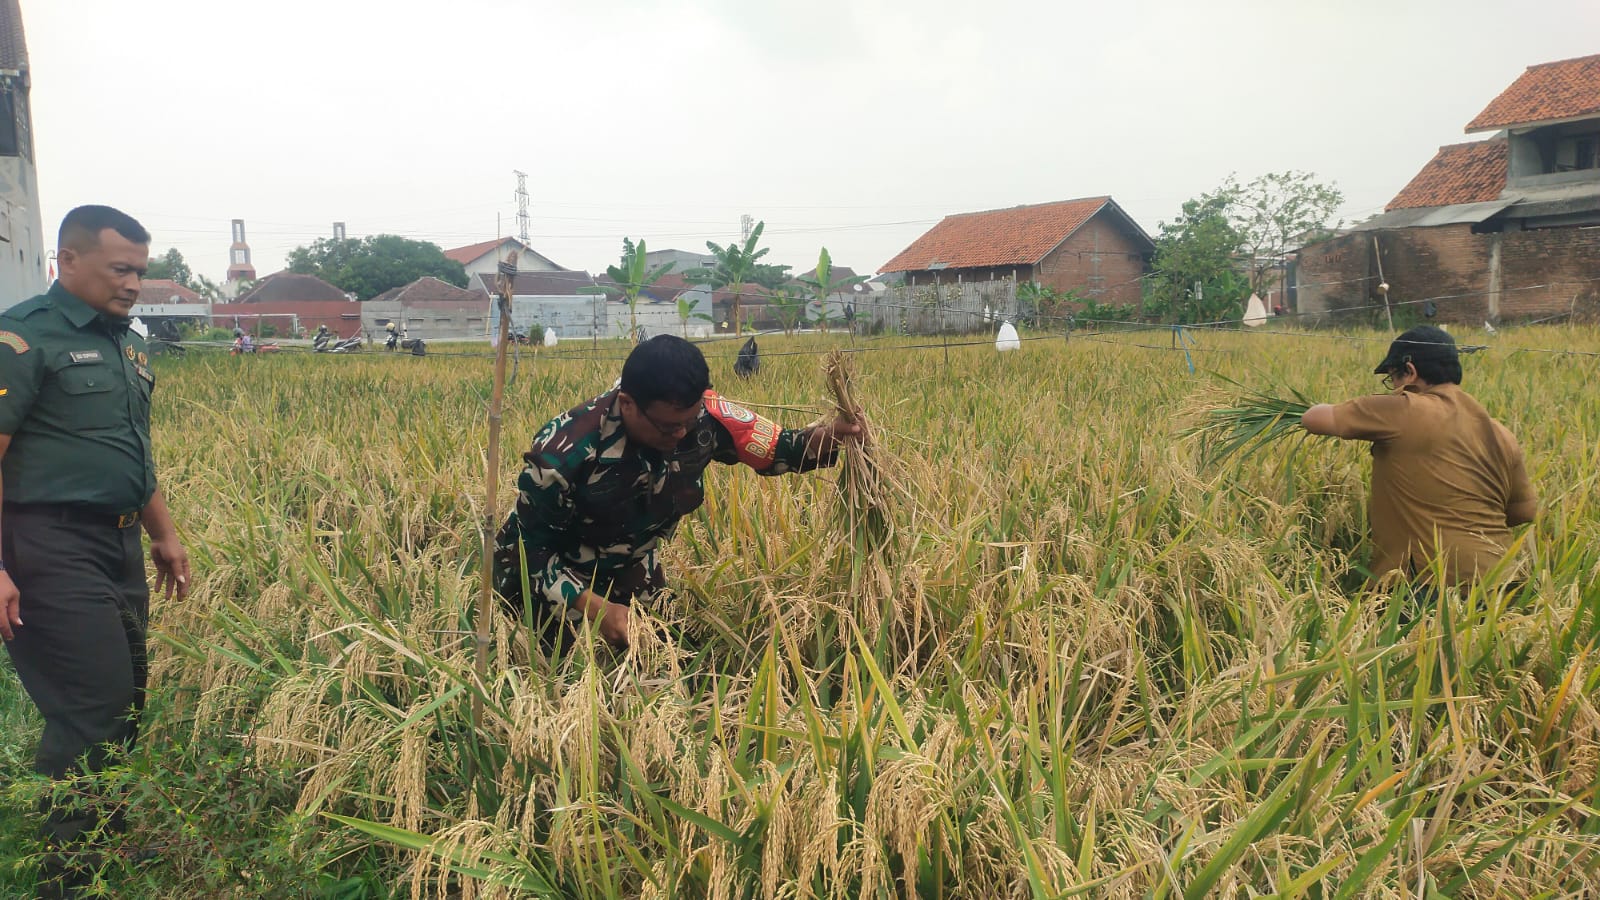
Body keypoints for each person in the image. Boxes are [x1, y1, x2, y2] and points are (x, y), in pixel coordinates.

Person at [0, 206, 190, 892]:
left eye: (141, 269)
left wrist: (161, 532)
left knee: (126, 702)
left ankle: (100, 844)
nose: (135, 283)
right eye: (121, 268)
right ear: (68, 261)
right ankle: (67, 876)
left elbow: (127, 451)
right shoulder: (24, 339)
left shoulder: (127, 345)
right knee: (92, 708)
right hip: (46, 544)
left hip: (118, 545)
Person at [492, 335, 859, 652]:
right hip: (553, 578)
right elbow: (528, 553)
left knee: (670, 657)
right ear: (628, 403)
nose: (682, 435)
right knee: (556, 669)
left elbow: (780, 446)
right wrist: (598, 610)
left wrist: (832, 434)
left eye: (690, 421)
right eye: (669, 428)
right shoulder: (563, 455)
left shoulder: (705, 417)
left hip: (630, 563)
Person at [1300, 325, 1536, 591]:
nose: (1394, 388)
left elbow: (1313, 418)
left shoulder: (1404, 408)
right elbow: (1524, 511)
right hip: (1502, 582)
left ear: (1410, 372)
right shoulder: (1501, 432)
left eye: (1392, 379)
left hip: (1428, 583)